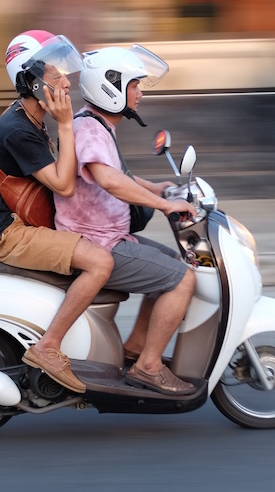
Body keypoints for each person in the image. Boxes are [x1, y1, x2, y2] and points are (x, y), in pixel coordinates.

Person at [0, 30, 114, 394]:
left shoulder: (31, 117)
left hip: (20, 222)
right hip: (7, 232)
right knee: (100, 263)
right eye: (55, 76)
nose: (66, 81)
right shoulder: (18, 129)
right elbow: (63, 185)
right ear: (33, 83)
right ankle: (48, 346)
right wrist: (66, 125)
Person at [54, 44, 199, 396]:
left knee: (170, 263)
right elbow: (109, 180)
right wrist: (164, 206)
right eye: (134, 85)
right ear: (111, 86)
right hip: (97, 241)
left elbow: (119, 176)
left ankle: (135, 351)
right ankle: (149, 367)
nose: (139, 93)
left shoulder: (98, 126)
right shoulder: (89, 128)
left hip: (109, 235)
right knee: (183, 279)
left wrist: (161, 188)